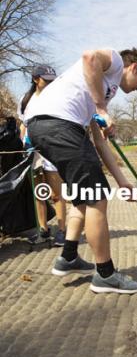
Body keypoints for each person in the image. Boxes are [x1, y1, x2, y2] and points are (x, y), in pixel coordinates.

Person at [25, 48, 137, 294]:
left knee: (83, 198)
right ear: (133, 67)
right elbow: (89, 57)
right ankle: (105, 274)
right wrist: (102, 108)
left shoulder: (97, 87)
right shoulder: (112, 62)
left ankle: (69, 257)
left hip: (45, 128)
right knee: (97, 199)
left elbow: (99, 142)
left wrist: (122, 181)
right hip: (59, 125)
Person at [18, 65, 67, 246]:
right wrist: (24, 143)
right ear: (35, 79)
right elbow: (24, 124)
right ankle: (43, 230)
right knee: (39, 193)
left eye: (53, 81)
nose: (50, 84)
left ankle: (62, 231)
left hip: (52, 150)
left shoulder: (59, 99)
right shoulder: (26, 100)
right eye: (46, 80)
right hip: (34, 152)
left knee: (57, 194)